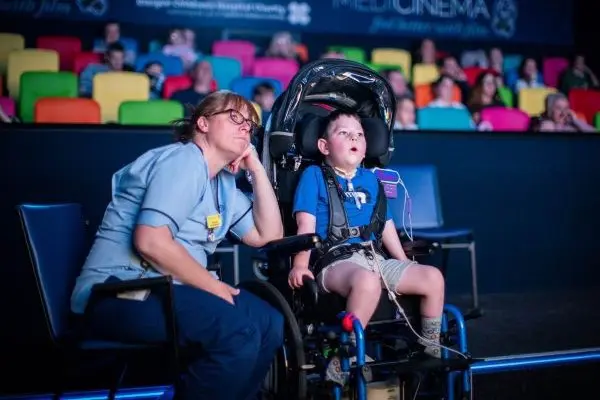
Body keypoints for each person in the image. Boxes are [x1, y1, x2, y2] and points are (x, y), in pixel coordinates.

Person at [70, 91, 285, 400]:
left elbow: (268, 236)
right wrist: (213, 287)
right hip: (118, 293)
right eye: (235, 117)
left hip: (164, 289)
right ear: (203, 123)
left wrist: (256, 170)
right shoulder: (184, 159)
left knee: (268, 322)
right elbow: (150, 241)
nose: (245, 127)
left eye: (250, 123)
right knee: (237, 330)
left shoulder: (221, 181)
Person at [288, 111, 445, 361]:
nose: (354, 137)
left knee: (432, 277)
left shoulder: (371, 180)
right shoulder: (314, 176)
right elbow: (305, 224)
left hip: (374, 259)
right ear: (324, 146)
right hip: (334, 261)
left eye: (359, 134)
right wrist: (299, 265)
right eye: (344, 133)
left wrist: (402, 259)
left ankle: (430, 346)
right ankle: (346, 354)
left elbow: (386, 226)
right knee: (367, 281)